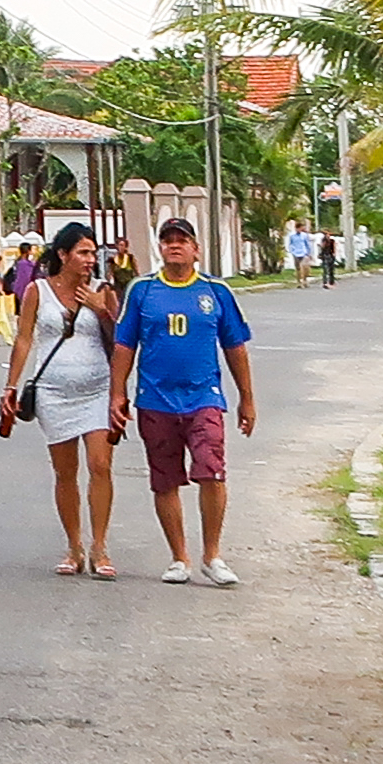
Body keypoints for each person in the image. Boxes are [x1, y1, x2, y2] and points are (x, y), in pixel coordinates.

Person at [111, 215, 261, 584]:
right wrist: (118, 393)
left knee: (211, 469)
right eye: (167, 240)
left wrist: (247, 398)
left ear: (196, 249)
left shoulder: (215, 292)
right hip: (156, 398)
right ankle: (180, 557)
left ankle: (212, 554)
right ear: (160, 248)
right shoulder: (143, 291)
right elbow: (125, 344)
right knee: (165, 479)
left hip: (203, 397)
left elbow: (234, 347)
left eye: (182, 240)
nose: (174, 245)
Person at [1, 223, 122, 577]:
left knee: (100, 465)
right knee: (65, 471)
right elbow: (24, 339)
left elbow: (122, 341)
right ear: (63, 255)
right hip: (54, 392)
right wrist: (11, 386)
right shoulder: (38, 291)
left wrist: (102, 308)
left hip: (97, 388)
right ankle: (74, 546)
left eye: (92, 253)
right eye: (82, 252)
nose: (89, 260)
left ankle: (100, 547)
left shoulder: (103, 289)